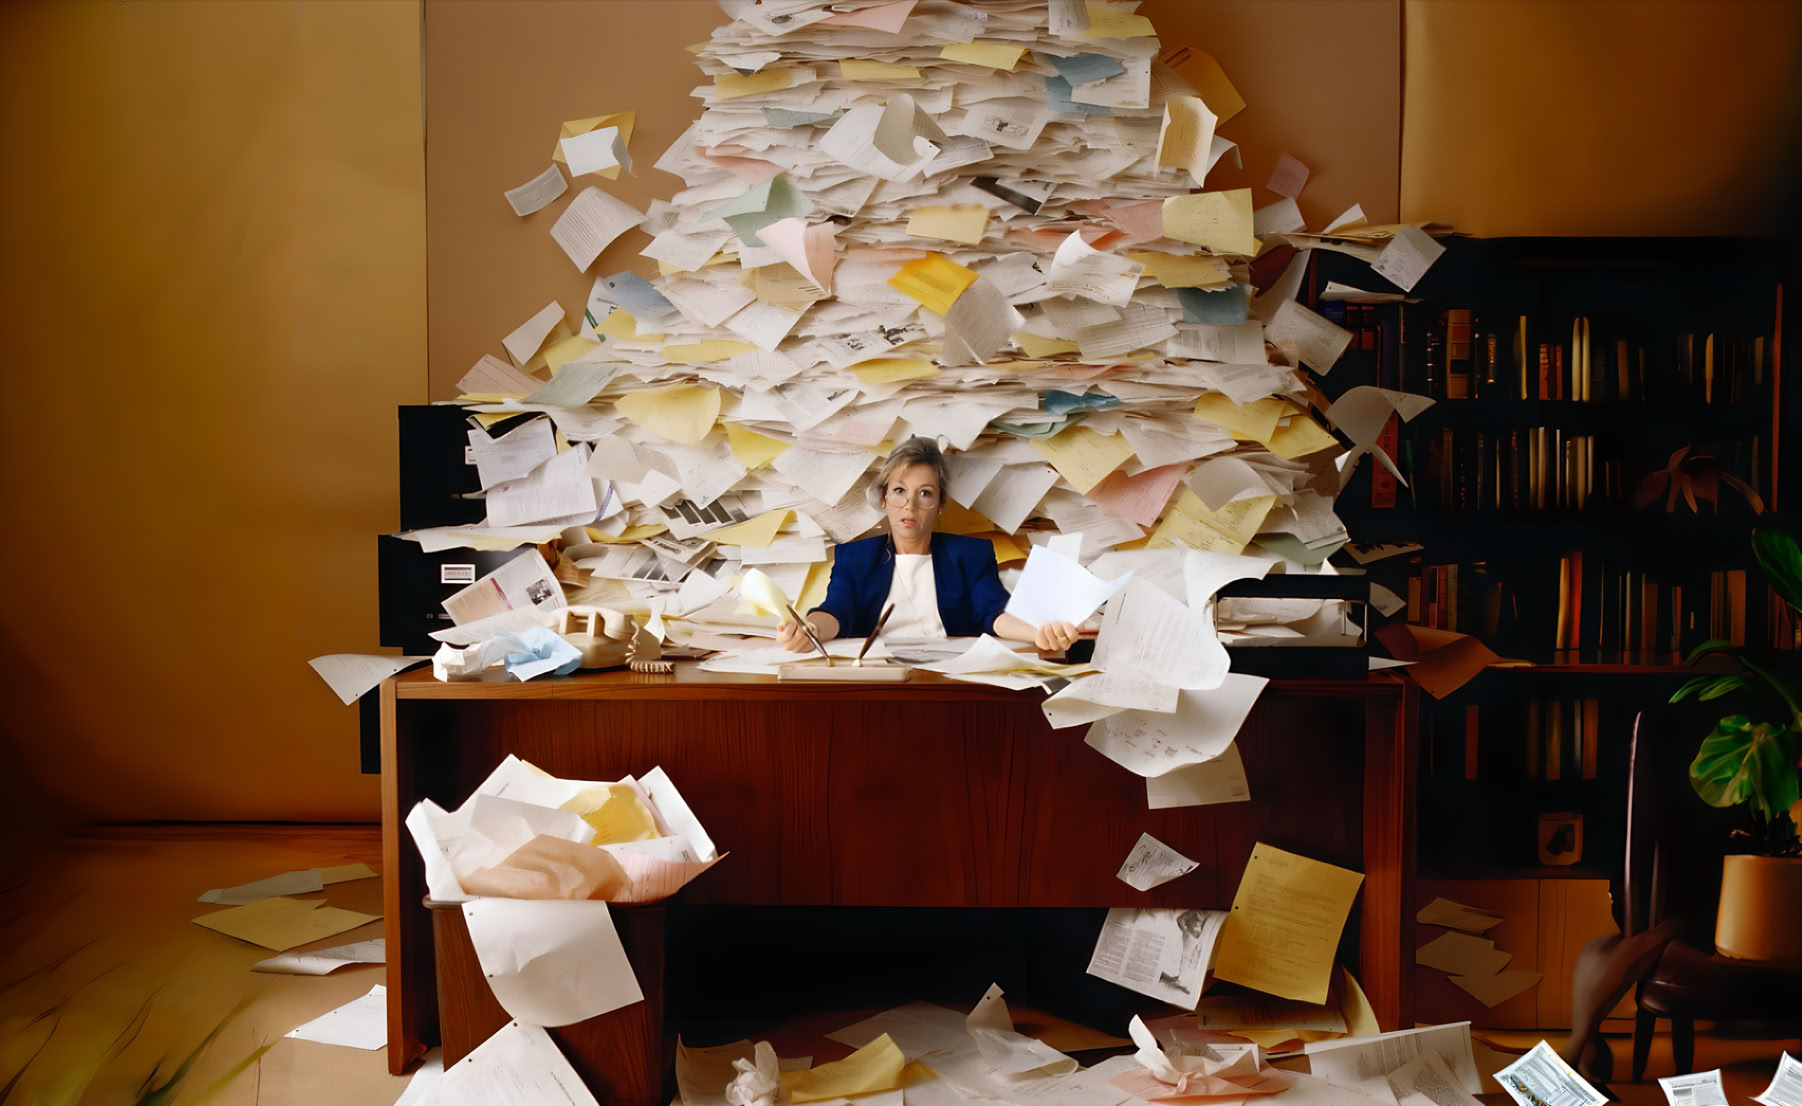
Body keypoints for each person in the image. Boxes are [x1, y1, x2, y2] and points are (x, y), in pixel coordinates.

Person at [777, 436, 1080, 652]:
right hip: (877, 679)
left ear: (939, 505)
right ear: (884, 499)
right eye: (899, 490)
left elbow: (994, 611)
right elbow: (837, 610)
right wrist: (810, 629)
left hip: (948, 679)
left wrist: (1039, 632)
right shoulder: (855, 557)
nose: (909, 505)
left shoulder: (970, 555)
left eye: (925, 493)